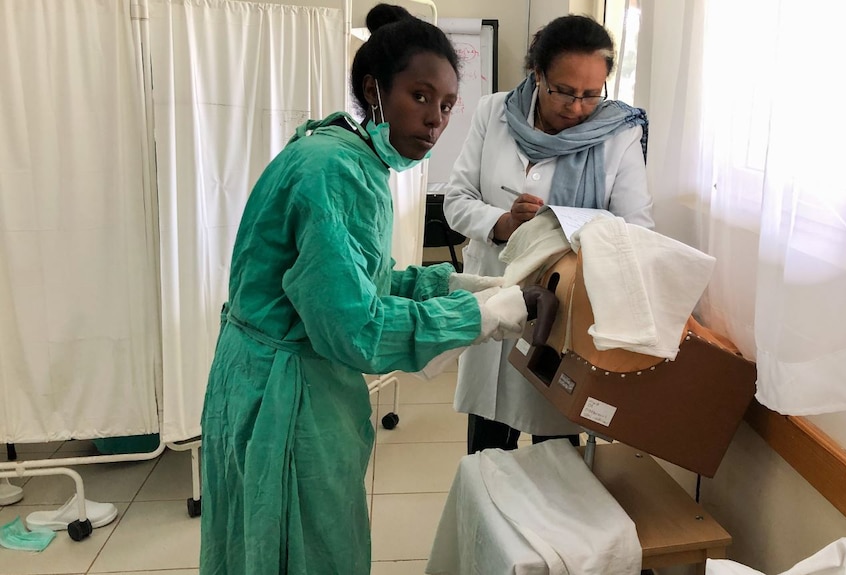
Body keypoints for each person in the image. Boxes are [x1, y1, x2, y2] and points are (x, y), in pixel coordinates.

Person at [198, 5, 542, 575]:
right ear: (374, 90)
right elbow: (356, 328)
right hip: (288, 394)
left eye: (448, 105)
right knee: (305, 550)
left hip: (258, 374)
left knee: (255, 545)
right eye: (421, 96)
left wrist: (454, 283)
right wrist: (482, 316)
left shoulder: (338, 150)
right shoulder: (338, 171)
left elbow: (361, 279)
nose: (435, 120)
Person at [443, 14, 655, 455]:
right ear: (537, 75)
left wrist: (564, 228)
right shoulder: (494, 112)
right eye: (564, 91)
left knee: (555, 450)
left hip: (564, 311)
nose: (577, 108)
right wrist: (504, 224)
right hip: (493, 294)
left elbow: (637, 230)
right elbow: (457, 200)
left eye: (591, 95)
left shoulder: (618, 134)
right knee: (486, 448)